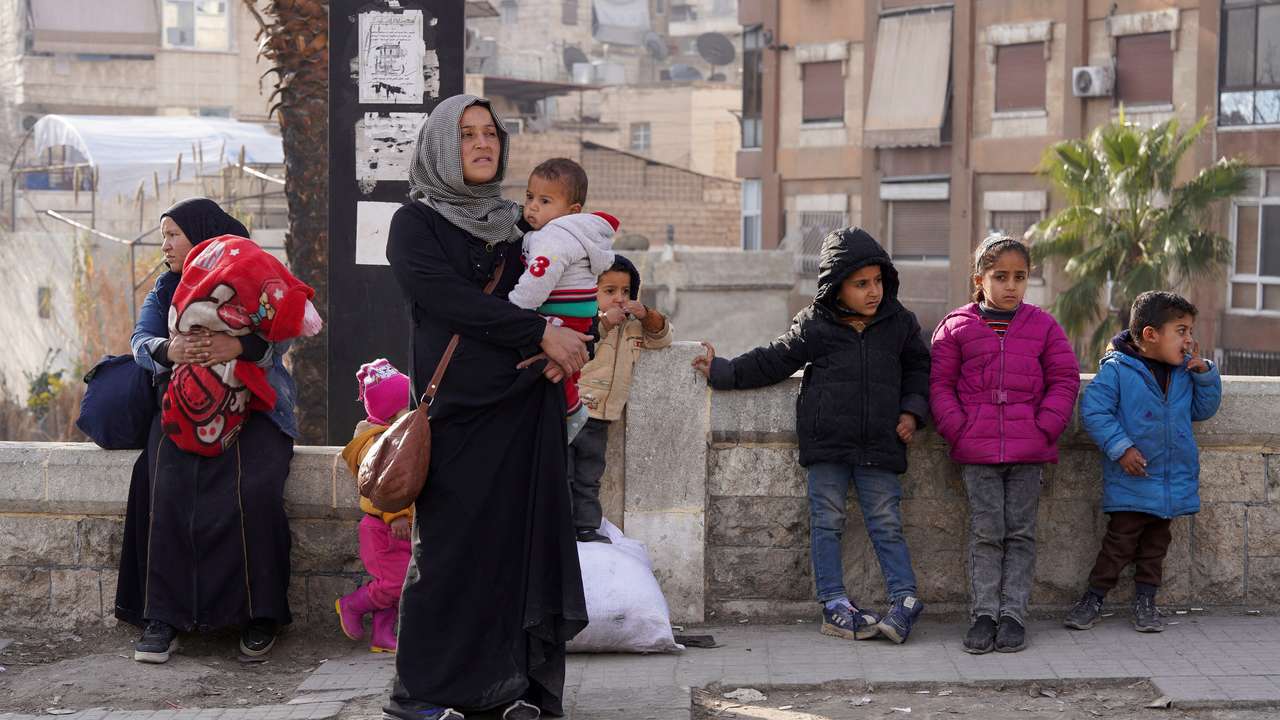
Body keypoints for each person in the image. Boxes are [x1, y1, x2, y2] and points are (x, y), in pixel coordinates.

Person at [383, 94, 589, 720]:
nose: (482, 144)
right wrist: (537, 333)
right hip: (461, 412)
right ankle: (422, 692)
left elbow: (582, 284)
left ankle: (513, 692)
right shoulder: (414, 224)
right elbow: (446, 299)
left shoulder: (521, 223)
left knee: (520, 553)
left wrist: (573, 345)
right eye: (467, 134)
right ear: (443, 145)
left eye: (490, 134)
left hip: (528, 410)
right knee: (448, 554)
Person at [692, 227, 931, 644]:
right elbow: (773, 360)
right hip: (827, 445)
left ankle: (905, 600)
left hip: (880, 444)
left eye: (877, 281)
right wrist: (722, 371)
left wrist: (912, 411)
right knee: (827, 523)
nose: (872, 291)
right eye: (861, 284)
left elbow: (919, 370)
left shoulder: (900, 325)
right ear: (837, 288)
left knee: (886, 522)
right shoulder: (815, 325)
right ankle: (834, 603)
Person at [116, 197, 300, 663]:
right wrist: (169, 351)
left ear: (203, 236)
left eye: (173, 234)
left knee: (255, 489)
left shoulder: (251, 275)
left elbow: (281, 333)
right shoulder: (166, 289)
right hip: (184, 406)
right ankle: (162, 617)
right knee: (168, 483)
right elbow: (141, 341)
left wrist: (235, 343)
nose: (166, 245)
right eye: (163, 236)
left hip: (254, 406)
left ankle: (260, 615)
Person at [929, 233, 1080, 655]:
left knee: (1020, 534)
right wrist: (958, 427)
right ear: (980, 279)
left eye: (1020, 276)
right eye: (1001, 276)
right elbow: (940, 385)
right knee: (986, 532)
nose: (1011, 285)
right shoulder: (956, 327)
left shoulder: (1044, 325)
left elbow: (1064, 380)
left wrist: (1045, 426)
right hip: (977, 451)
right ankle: (984, 615)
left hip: (1028, 451)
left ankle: (1013, 615)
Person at [1064, 291, 1221, 633]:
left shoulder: (1183, 373)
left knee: (1154, 549)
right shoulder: (1118, 371)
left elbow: (1203, 410)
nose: (1189, 339)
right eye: (1181, 330)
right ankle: (1093, 598)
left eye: (1190, 331)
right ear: (1150, 335)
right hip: (1133, 479)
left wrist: (1205, 374)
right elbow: (1094, 411)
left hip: (1168, 482)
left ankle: (1146, 602)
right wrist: (1121, 448)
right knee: (1118, 545)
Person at [508, 157, 617, 444]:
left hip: (560, 313)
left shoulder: (554, 237)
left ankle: (573, 411)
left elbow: (539, 276)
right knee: (566, 370)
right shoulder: (574, 234)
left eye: (545, 201)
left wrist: (515, 309)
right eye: (530, 197)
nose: (532, 207)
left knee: (556, 368)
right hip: (578, 313)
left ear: (572, 210)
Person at [571, 255, 672, 543]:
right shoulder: (582, 318)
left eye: (625, 292)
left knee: (589, 476)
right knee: (562, 473)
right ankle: (560, 527)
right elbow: (579, 339)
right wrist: (602, 323)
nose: (619, 299)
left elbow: (663, 337)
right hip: (573, 409)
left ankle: (586, 528)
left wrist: (644, 314)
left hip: (601, 417)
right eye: (609, 291)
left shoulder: (632, 326)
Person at [337, 359, 414, 654]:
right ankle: (351, 605)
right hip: (384, 526)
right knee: (394, 584)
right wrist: (395, 515)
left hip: (402, 524)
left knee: (396, 582)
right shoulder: (377, 443)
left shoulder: (397, 435)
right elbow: (382, 483)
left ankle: (382, 635)